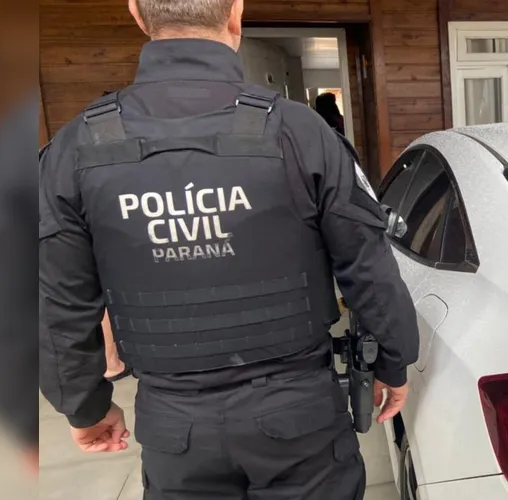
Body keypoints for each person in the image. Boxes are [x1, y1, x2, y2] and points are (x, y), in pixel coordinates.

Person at [38, 0, 419, 497]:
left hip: (175, 425)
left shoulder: (74, 148)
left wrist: (84, 406)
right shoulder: (300, 131)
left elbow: (57, 303)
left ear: (137, 13)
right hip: (298, 415)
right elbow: (367, 265)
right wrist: (393, 361)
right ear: (235, 10)